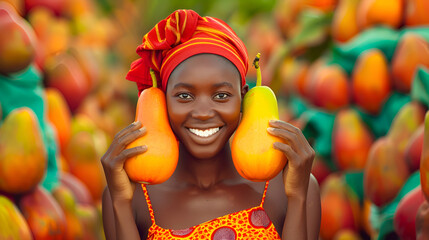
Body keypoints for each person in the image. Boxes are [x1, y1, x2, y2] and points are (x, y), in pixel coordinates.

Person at [101, 9, 321, 240]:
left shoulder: (287, 187)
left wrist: (298, 197)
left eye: (221, 96)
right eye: (185, 96)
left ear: (243, 98)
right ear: (162, 100)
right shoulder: (132, 196)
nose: (203, 113)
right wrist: (119, 203)